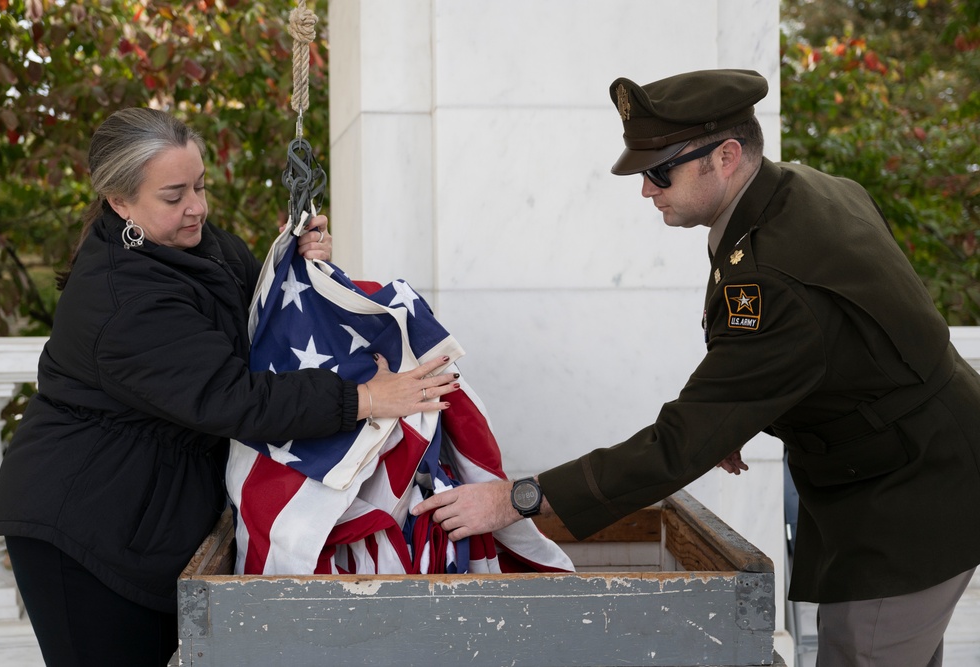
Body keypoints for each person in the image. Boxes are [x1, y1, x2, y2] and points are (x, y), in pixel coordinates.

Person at [412, 69, 980, 666]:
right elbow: (850, 332)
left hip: (913, 492)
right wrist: (747, 408)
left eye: (661, 172)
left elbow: (676, 446)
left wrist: (519, 498)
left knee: (858, 653)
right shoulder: (801, 191)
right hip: (910, 456)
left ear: (726, 156)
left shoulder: (771, 271)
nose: (646, 191)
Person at [0, 107, 460, 667]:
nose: (197, 207)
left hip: (152, 517)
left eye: (200, 185)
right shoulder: (122, 302)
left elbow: (261, 320)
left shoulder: (194, 244)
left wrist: (302, 265)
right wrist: (366, 398)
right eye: (174, 195)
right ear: (120, 202)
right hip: (86, 529)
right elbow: (235, 397)